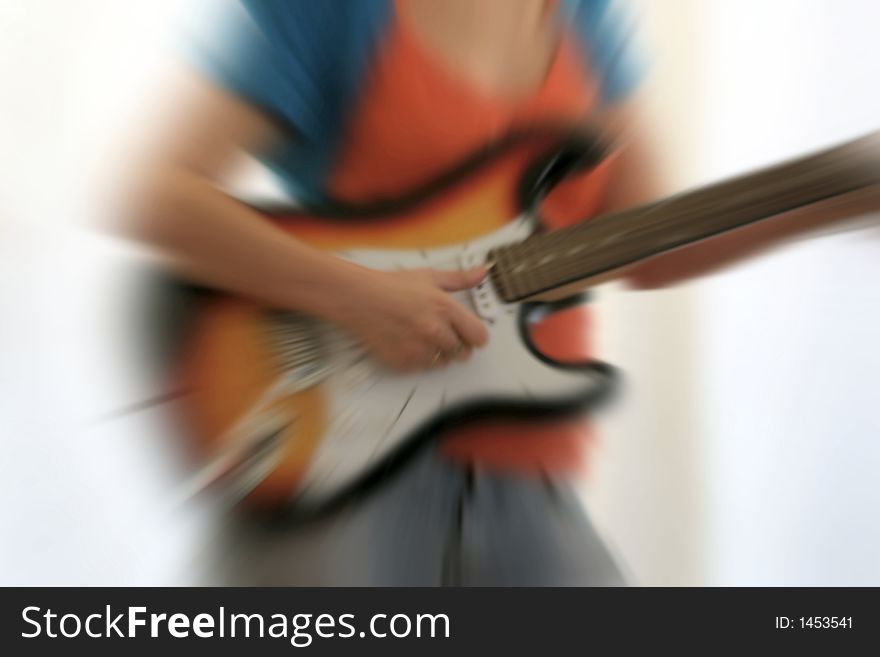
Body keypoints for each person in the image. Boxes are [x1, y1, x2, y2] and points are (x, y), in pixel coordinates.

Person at [122, 0, 857, 585]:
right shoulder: (329, 9)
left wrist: (840, 192)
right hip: (338, 464)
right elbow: (154, 195)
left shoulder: (586, 15)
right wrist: (356, 295)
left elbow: (650, 242)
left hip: (527, 476)